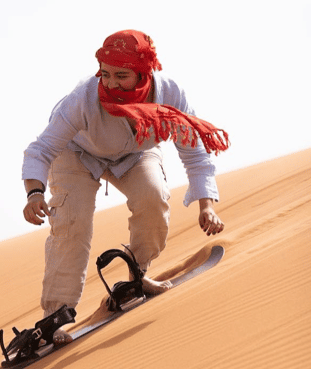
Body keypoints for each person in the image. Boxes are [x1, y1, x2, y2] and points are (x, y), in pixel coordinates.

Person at [21, 29, 229, 344]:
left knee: (153, 199)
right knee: (72, 222)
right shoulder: (83, 99)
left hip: (135, 153)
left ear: (143, 73)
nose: (111, 84)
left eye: (122, 76)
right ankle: (55, 318)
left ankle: (137, 276)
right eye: (105, 74)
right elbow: (41, 150)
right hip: (77, 155)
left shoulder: (170, 95)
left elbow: (194, 152)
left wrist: (207, 206)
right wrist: (34, 193)